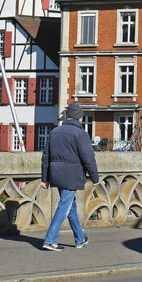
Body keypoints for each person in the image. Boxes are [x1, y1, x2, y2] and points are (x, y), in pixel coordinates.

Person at [40, 102, 99, 251]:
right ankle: (50, 240)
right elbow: (88, 158)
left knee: (70, 206)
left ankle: (80, 239)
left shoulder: (54, 132)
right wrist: (95, 178)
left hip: (56, 174)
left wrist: (44, 178)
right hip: (71, 176)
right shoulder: (80, 134)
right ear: (79, 118)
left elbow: (46, 156)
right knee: (64, 207)